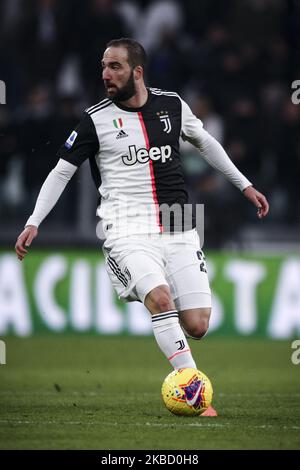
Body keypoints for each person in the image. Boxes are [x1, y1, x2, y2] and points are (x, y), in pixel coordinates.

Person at [15, 38, 269, 417]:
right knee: (162, 299)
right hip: (126, 228)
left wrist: (244, 185)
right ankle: (195, 393)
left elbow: (206, 142)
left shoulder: (172, 105)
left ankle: (169, 327)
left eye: (115, 66)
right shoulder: (95, 120)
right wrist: (34, 221)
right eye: (103, 66)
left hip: (179, 223)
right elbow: (60, 172)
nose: (106, 74)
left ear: (137, 71)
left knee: (197, 324)